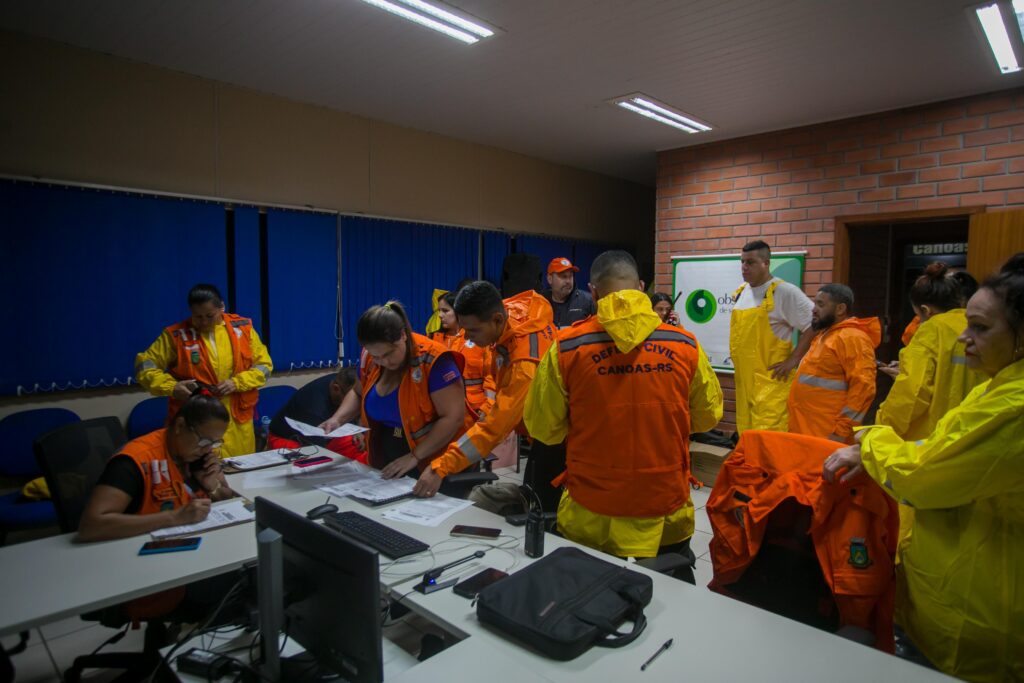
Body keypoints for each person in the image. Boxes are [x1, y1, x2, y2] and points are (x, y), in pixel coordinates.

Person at [823, 254, 1024, 682]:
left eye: (982, 328)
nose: (966, 338)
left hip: (976, 618)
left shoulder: (1014, 404)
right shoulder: (998, 383)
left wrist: (869, 440)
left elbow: (924, 470)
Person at [524, 251, 722, 579]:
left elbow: (545, 429)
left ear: (594, 291)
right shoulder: (684, 344)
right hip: (664, 508)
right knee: (673, 596)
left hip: (591, 509)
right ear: (641, 288)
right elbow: (707, 417)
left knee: (588, 596)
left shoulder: (567, 346)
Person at [875, 263, 985, 555]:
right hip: (976, 442)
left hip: (929, 444)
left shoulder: (931, 331)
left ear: (924, 309)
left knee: (913, 536)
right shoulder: (980, 327)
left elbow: (912, 395)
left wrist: (879, 433)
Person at [414, 282, 556, 499]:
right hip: (542, 434)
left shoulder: (524, 363)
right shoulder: (510, 315)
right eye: (464, 329)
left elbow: (495, 428)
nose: (467, 337)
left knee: (542, 508)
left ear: (497, 320)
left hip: (556, 443)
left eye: (472, 330)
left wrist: (441, 466)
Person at [319, 301, 470, 482]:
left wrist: (414, 456)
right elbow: (358, 393)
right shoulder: (369, 358)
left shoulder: (434, 360)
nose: (384, 362)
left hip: (432, 459)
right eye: (377, 356)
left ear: (403, 336)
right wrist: (337, 419)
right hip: (386, 453)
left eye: (389, 353)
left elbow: (453, 418)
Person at [135, 284, 273, 457]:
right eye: (197, 317)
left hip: (238, 423)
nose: (204, 322)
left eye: (210, 315)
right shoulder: (176, 335)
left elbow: (264, 366)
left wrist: (237, 383)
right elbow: (145, 366)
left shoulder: (243, 329)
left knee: (240, 475)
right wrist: (172, 387)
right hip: (196, 422)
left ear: (221, 307)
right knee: (202, 476)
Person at [78, 392, 235, 542]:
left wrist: (213, 486)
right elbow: (91, 526)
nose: (208, 449)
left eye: (214, 443)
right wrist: (175, 517)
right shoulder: (135, 459)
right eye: (204, 441)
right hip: (140, 547)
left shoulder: (199, 456)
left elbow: (227, 498)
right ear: (180, 426)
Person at [729, 240, 814, 433]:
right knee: (747, 435)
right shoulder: (742, 292)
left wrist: (794, 359)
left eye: (750, 262)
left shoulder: (784, 291)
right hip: (744, 384)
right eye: (742, 262)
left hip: (771, 385)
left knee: (769, 439)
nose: (744, 267)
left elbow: (813, 325)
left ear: (766, 263)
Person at [787, 284, 880, 444]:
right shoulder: (827, 335)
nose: (814, 309)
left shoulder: (852, 338)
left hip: (828, 436)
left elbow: (863, 389)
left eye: (821, 304)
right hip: (809, 432)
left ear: (840, 309)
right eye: (815, 303)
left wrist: (841, 431)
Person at [267, 367, 366, 464]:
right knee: (314, 463)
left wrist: (357, 429)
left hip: (328, 433)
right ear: (336, 388)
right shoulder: (313, 407)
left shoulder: (345, 380)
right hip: (288, 439)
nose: (356, 402)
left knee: (359, 445)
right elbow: (317, 449)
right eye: (353, 398)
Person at [432, 291, 497, 419]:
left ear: (457, 312)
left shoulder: (477, 338)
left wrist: (487, 407)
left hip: (476, 411)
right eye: (438, 311)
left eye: (445, 311)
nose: (440, 315)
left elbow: (490, 376)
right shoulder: (433, 340)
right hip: (442, 411)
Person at [543, 257, 595, 328]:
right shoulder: (540, 303)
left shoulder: (588, 301)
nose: (568, 281)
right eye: (563, 276)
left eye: (570, 276)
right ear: (550, 279)